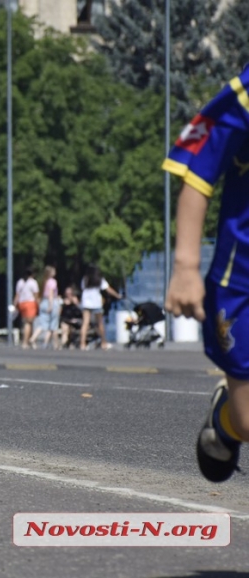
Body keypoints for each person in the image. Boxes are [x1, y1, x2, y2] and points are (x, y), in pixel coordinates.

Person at [163, 65, 249, 483]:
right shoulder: (246, 93)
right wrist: (186, 265)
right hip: (241, 284)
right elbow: (198, 171)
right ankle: (226, 419)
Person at [79, 263, 122, 350]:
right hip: (96, 303)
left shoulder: (85, 279)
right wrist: (117, 295)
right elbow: (108, 289)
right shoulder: (100, 280)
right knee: (100, 323)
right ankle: (103, 342)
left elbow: (82, 288)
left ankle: (82, 344)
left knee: (85, 323)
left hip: (86, 303)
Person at [31, 265, 60, 350]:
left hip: (44, 302)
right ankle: (56, 344)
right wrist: (51, 305)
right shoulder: (52, 281)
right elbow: (51, 293)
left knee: (44, 324)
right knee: (54, 325)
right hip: (51, 302)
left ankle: (36, 339)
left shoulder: (45, 281)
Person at [13, 266, 39, 349]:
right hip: (30, 303)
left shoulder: (20, 282)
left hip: (22, 303)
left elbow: (17, 295)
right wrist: (38, 305)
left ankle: (29, 340)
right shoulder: (33, 282)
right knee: (28, 323)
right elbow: (36, 295)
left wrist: (14, 305)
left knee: (26, 323)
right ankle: (25, 342)